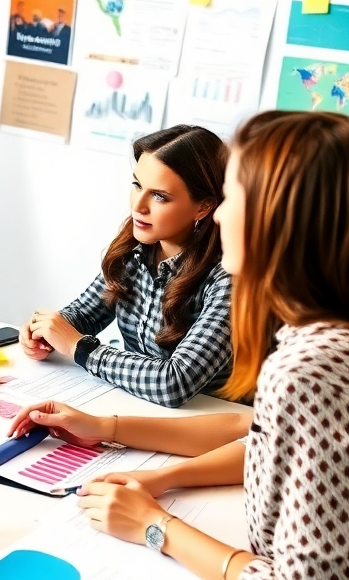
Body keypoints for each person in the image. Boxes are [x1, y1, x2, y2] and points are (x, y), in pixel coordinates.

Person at [69, 111, 349, 580]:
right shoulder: (340, 331)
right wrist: (152, 468)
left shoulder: (314, 365)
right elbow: (258, 431)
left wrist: (156, 525)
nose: (217, 213)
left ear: (277, 220)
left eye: (230, 195)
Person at [21, 125, 233, 407]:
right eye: (137, 185)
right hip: (136, 407)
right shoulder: (134, 250)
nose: (139, 205)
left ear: (203, 207)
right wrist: (44, 331)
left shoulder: (229, 275)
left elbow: (174, 383)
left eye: (159, 196)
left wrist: (78, 347)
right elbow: (83, 314)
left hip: (208, 422)